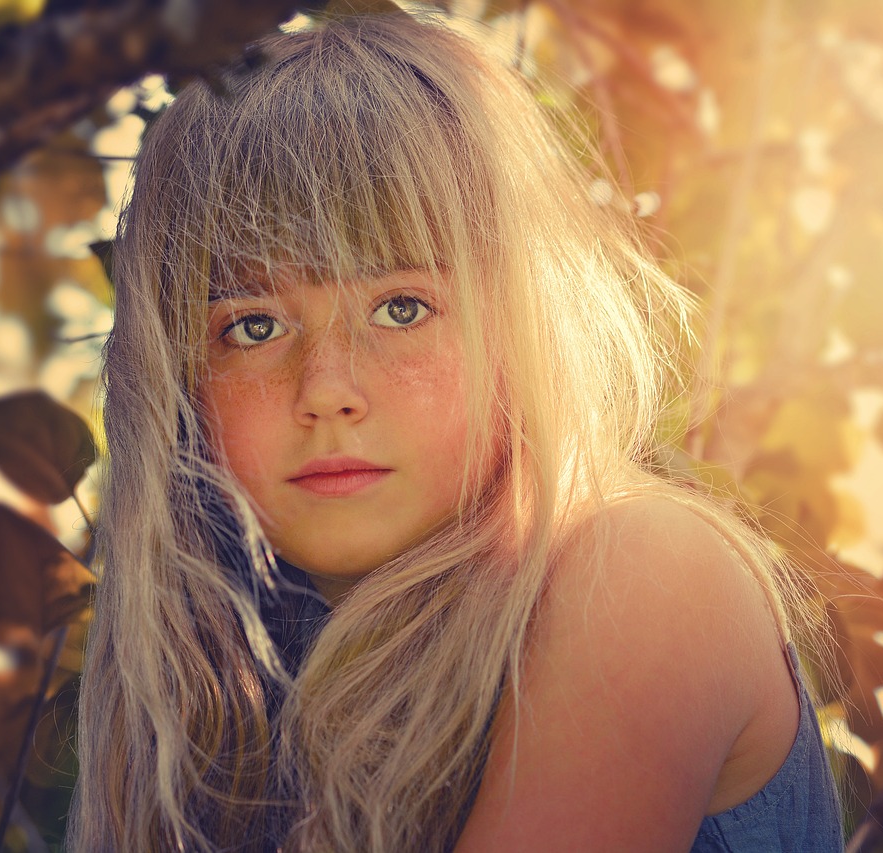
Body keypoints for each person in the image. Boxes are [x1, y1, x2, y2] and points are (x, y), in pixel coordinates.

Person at [67, 9, 843, 852]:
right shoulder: (225, 694)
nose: (327, 391)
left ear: (520, 329)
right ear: (180, 382)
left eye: (402, 308)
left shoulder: (645, 568)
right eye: (252, 325)